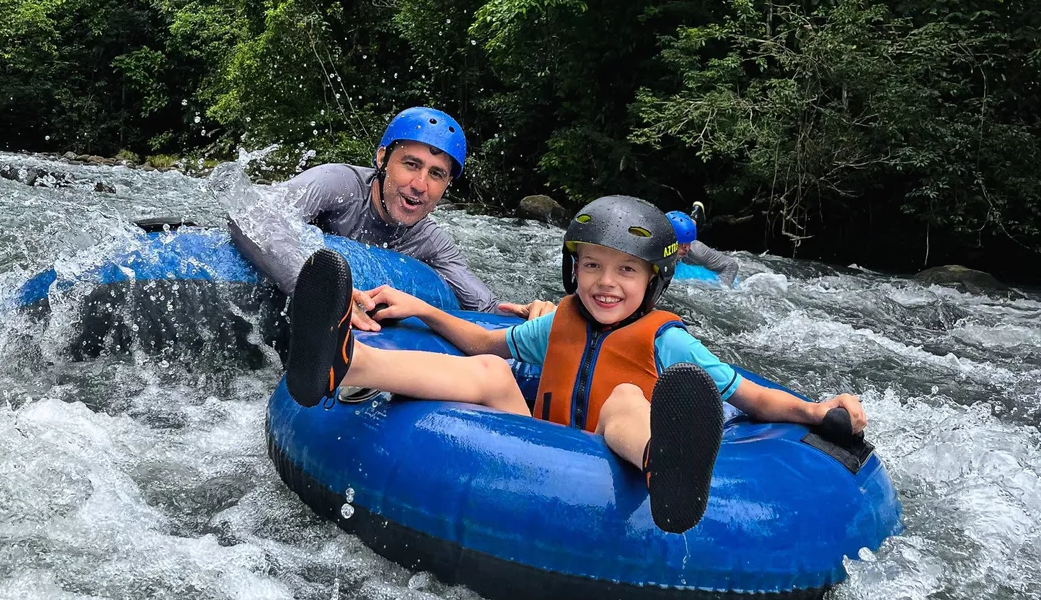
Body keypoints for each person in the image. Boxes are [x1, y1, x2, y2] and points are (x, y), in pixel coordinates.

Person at [282, 196, 867, 534]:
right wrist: (426, 309)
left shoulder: (669, 343)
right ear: (573, 270)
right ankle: (348, 363)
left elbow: (749, 398)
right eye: (591, 266)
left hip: (610, 460)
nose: (606, 283)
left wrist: (814, 411)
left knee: (626, 400)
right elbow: (484, 343)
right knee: (492, 374)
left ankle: (663, 463)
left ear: (654, 280)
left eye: (626, 270)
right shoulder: (557, 322)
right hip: (533, 448)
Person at [229, 106, 550, 331]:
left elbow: (486, 309)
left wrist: (530, 316)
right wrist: (320, 290)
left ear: (447, 186)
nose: (420, 185)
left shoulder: (432, 242)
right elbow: (249, 214)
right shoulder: (336, 185)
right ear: (382, 158)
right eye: (411, 164)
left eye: (436, 174)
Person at [666, 209, 740, 285]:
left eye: (688, 242)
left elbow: (731, 265)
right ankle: (695, 214)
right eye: (682, 243)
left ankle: (697, 213)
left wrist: (720, 287)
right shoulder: (662, 240)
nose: (686, 248)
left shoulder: (696, 250)